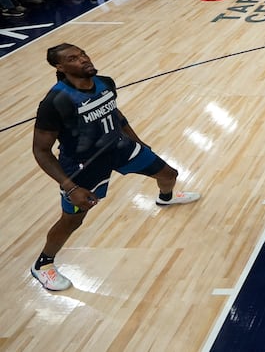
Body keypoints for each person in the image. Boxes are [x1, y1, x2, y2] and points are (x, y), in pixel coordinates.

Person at [31, 43, 201, 291]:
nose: (84, 59)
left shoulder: (105, 82)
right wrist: (70, 187)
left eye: (83, 54)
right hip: (83, 166)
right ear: (60, 67)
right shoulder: (56, 101)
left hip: (119, 146)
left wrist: (137, 141)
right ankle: (43, 264)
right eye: (73, 58)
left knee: (169, 174)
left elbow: (115, 113)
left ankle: (166, 198)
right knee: (72, 220)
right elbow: (40, 150)